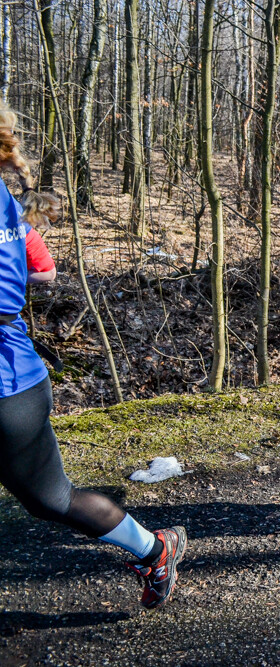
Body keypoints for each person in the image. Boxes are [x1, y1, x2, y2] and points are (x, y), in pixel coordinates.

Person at [0, 102, 186, 609]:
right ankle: (153, 548)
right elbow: (34, 269)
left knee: (54, 500)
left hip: (9, 386)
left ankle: (155, 548)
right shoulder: (6, 200)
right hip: (19, 376)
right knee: (50, 501)